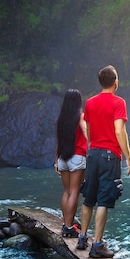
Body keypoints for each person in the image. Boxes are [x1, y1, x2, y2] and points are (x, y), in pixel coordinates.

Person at [77, 65, 130, 258]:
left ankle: (82, 238)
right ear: (115, 82)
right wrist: (128, 157)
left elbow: (89, 129)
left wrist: (92, 147)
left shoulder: (90, 103)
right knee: (104, 199)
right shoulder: (119, 102)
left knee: (88, 197)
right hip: (110, 156)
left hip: (92, 153)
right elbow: (119, 130)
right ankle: (98, 245)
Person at [54, 89, 87, 238]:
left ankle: (66, 224)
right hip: (77, 157)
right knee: (74, 192)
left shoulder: (61, 120)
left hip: (63, 158)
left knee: (67, 191)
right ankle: (69, 227)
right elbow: (86, 133)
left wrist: (56, 161)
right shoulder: (80, 116)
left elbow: (58, 142)